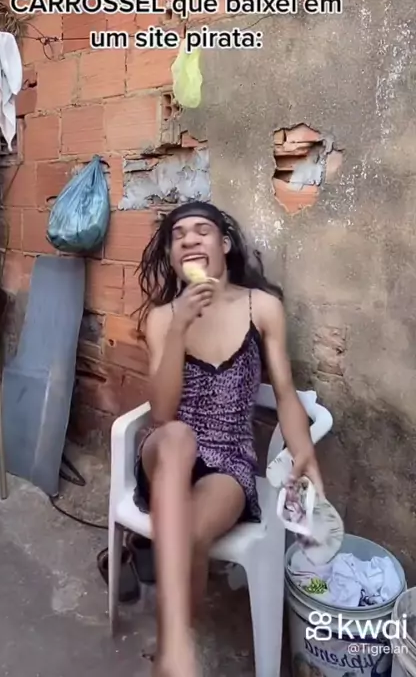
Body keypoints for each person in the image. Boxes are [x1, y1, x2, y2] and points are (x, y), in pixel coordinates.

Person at [134, 201, 324, 677]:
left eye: (202, 230)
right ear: (172, 255)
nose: (189, 239)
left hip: (228, 459)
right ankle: (177, 647)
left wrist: (304, 451)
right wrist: (179, 325)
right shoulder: (162, 318)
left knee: (191, 532)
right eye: (178, 235)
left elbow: (285, 394)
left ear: (223, 244)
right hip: (167, 452)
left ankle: (173, 650)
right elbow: (161, 413)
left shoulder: (262, 308)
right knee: (177, 435)